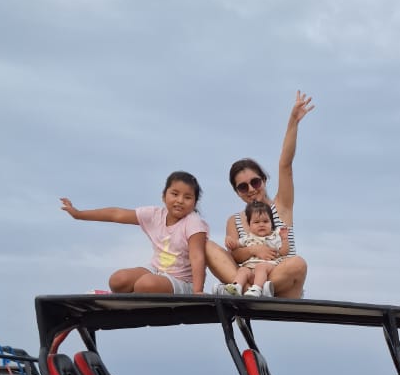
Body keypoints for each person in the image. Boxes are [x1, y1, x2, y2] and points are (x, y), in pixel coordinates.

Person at [206, 90, 313, 299]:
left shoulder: (280, 206)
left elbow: (285, 165)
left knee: (298, 263)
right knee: (206, 245)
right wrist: (255, 250)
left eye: (255, 182)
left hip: (278, 280)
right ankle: (248, 290)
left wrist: (293, 121)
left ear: (263, 180)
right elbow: (236, 255)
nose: (251, 189)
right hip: (247, 275)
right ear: (237, 192)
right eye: (243, 187)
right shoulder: (235, 220)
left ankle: (249, 289)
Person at [60, 171, 209, 294]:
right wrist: (79, 214)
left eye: (187, 197)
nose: (180, 200)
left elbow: (197, 257)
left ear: (195, 203)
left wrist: (197, 292)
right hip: (156, 270)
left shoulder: (193, 222)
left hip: (182, 281)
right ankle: (116, 295)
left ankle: (134, 295)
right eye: (175, 194)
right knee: (118, 280)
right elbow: (116, 214)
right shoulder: (155, 215)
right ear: (164, 196)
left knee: (145, 284)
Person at [229, 201, 289, 298]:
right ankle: (236, 287)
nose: (261, 224)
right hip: (251, 269)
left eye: (265, 221)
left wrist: (284, 239)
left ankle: (257, 289)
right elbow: (235, 245)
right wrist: (230, 242)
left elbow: (284, 252)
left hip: (269, 267)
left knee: (261, 267)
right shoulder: (248, 237)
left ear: (271, 223)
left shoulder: (274, 236)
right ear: (249, 225)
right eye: (256, 222)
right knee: (243, 270)